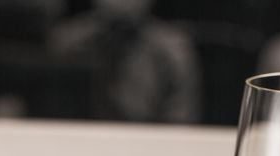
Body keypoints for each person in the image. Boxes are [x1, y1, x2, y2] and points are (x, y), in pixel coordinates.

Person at [48, 0, 201, 123]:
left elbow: (181, 121)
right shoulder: (67, 43)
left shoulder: (173, 48)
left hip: (151, 146)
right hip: (80, 142)